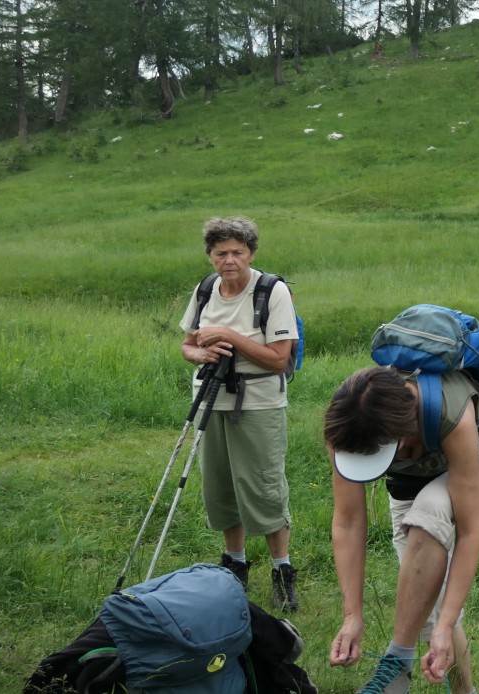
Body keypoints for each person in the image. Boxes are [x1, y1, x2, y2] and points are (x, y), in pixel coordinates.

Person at [324, 366, 479, 694]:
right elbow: (348, 521)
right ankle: (463, 691)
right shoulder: (347, 424)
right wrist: (352, 615)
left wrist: (446, 624)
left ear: (406, 428)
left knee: (431, 508)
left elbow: (471, 531)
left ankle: (395, 664)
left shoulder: (449, 411)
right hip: (410, 486)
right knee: (426, 596)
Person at [179, 216, 300, 611]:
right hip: (211, 397)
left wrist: (230, 337)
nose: (229, 260)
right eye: (220, 253)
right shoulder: (205, 289)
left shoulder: (272, 291)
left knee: (263, 484)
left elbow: (280, 360)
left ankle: (282, 571)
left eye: (237, 252)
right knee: (220, 484)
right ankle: (235, 565)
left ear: (251, 253)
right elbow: (188, 344)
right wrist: (202, 353)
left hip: (259, 402)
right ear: (210, 256)